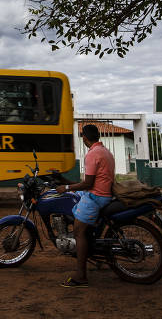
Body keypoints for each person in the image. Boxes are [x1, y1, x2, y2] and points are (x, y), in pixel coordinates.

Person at [55, 123, 115, 288]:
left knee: (78, 232)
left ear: (84, 138)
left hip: (96, 197)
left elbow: (88, 183)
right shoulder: (105, 152)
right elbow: (90, 182)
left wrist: (65, 187)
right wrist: (68, 184)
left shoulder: (92, 154)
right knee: (72, 197)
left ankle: (81, 276)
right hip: (102, 194)